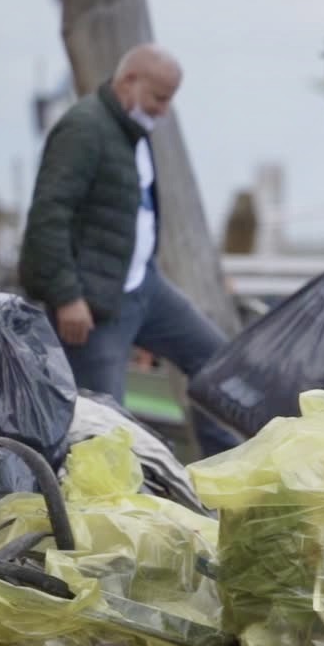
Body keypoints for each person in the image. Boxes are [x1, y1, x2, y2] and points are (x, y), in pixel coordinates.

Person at [19, 43, 239, 456]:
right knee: (103, 424)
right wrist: (67, 297)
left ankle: (222, 471)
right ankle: (96, 511)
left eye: (170, 99)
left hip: (145, 286)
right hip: (95, 303)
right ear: (129, 81)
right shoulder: (83, 129)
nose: (164, 110)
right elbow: (48, 217)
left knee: (217, 362)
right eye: (159, 97)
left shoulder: (135, 130)